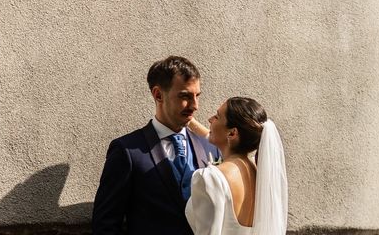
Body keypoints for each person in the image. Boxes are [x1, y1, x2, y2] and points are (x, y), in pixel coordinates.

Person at [92, 56, 220, 235]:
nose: (195, 105)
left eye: (197, 96)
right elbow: (106, 223)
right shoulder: (127, 150)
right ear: (158, 94)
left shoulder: (209, 147)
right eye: (185, 96)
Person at [185, 97, 288, 235]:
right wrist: (190, 121)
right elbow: (212, 136)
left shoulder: (211, 178)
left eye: (217, 116)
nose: (210, 119)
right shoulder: (260, 174)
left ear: (232, 133)